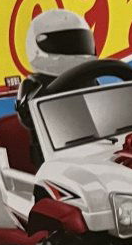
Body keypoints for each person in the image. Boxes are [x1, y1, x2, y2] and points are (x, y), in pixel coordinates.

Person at [16, 9, 97, 163]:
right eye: (67, 43)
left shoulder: (87, 78)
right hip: (53, 157)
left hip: (92, 145)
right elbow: (28, 119)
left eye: (77, 41)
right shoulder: (33, 84)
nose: (74, 49)